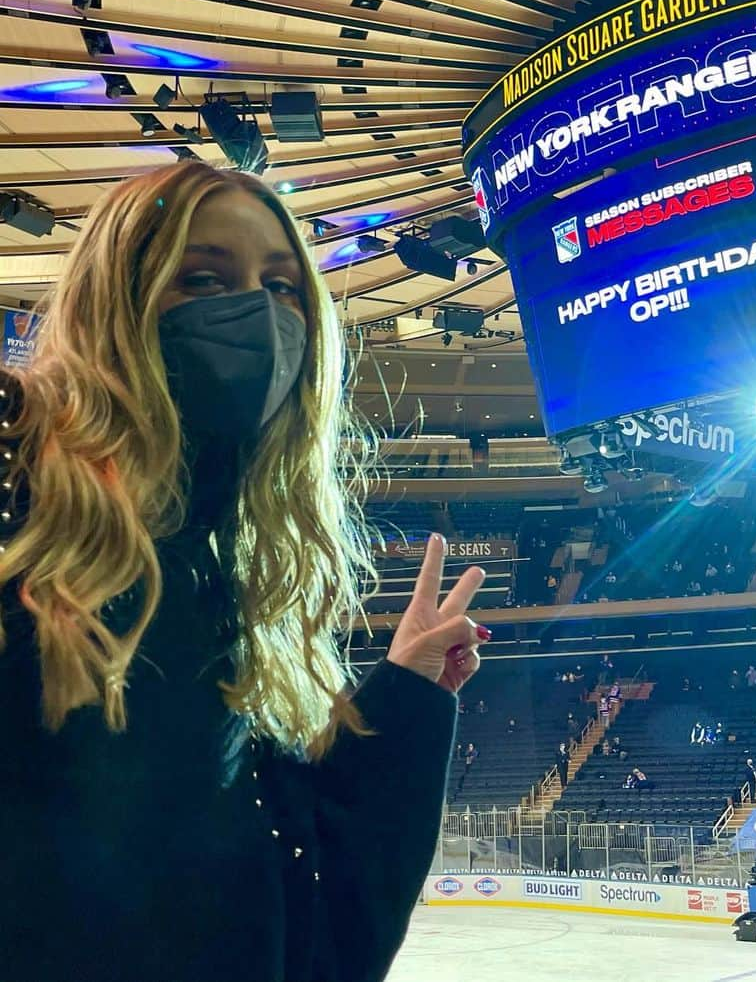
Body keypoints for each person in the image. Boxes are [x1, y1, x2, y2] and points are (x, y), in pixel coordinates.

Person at [0, 162, 491, 982]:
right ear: (114, 297)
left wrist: (401, 696)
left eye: (283, 286)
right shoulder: (17, 475)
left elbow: (291, 896)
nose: (258, 315)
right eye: (202, 277)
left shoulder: (226, 570)